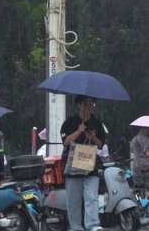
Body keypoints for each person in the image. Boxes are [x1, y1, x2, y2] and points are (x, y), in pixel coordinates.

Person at [61, 95, 105, 231]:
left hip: (91, 164)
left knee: (91, 196)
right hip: (73, 164)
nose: (90, 107)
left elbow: (101, 144)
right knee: (73, 200)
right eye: (87, 104)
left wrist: (92, 137)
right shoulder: (70, 122)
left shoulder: (97, 122)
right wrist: (79, 131)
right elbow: (66, 141)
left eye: (92, 104)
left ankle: (92, 225)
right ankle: (76, 227)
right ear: (79, 105)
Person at [130, 125, 149, 189]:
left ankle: (142, 199)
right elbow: (147, 153)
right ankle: (146, 199)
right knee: (147, 189)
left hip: (136, 166)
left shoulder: (134, 139)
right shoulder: (145, 139)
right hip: (146, 167)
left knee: (139, 188)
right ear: (143, 129)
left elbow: (132, 150)